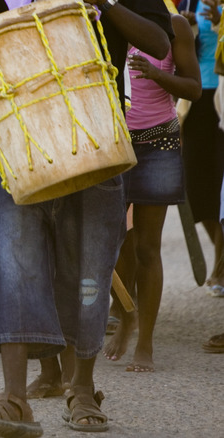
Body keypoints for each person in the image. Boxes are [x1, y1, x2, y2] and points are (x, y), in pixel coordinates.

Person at [0, 0, 173, 437]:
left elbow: (157, 42)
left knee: (88, 276)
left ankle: (82, 387)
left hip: (95, 144)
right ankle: (14, 398)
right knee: (17, 271)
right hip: (18, 145)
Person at [102, 13, 200, 372]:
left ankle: (145, 340)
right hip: (114, 144)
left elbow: (194, 87)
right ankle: (126, 314)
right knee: (112, 243)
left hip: (159, 142)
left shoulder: (175, 26)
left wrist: (157, 74)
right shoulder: (104, 15)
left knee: (147, 247)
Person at [179, 0, 224, 296]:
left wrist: (221, 22)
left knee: (222, 190)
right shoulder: (187, 1)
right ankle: (221, 260)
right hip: (193, 100)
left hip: (220, 100)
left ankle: (220, 269)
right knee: (195, 190)